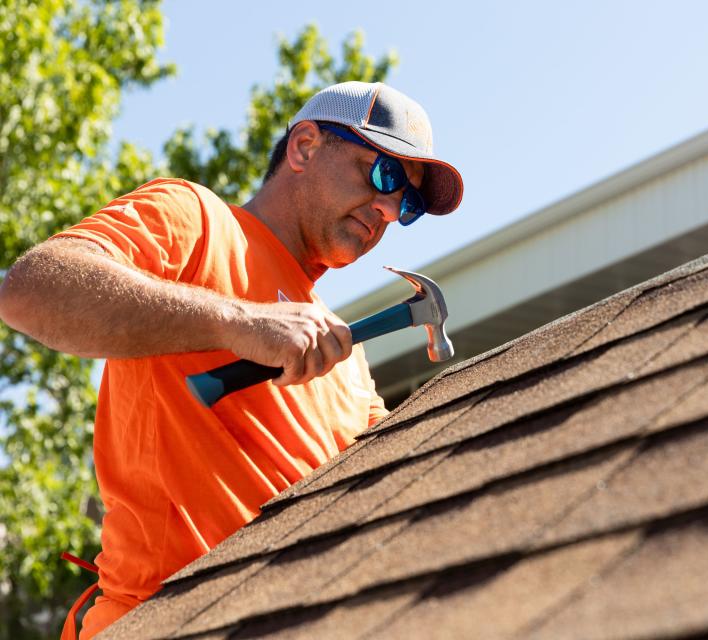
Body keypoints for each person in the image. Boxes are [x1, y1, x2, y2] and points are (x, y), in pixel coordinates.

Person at [0, 81, 463, 639]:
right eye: (384, 174)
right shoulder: (196, 221)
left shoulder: (346, 362)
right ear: (305, 147)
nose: (389, 210)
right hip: (157, 621)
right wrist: (240, 323)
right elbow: (31, 290)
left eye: (407, 205)